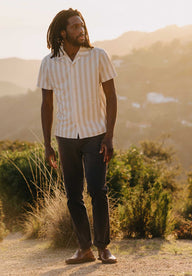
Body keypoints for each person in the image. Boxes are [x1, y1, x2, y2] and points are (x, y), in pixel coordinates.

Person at [37, 8, 117, 264]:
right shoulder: (49, 63)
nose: (81, 30)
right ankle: (85, 249)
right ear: (62, 32)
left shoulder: (98, 56)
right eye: (74, 27)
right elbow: (46, 104)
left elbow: (112, 97)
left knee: (97, 189)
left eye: (82, 25)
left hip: (95, 135)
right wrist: (48, 143)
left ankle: (103, 247)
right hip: (65, 137)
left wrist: (109, 136)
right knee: (73, 195)